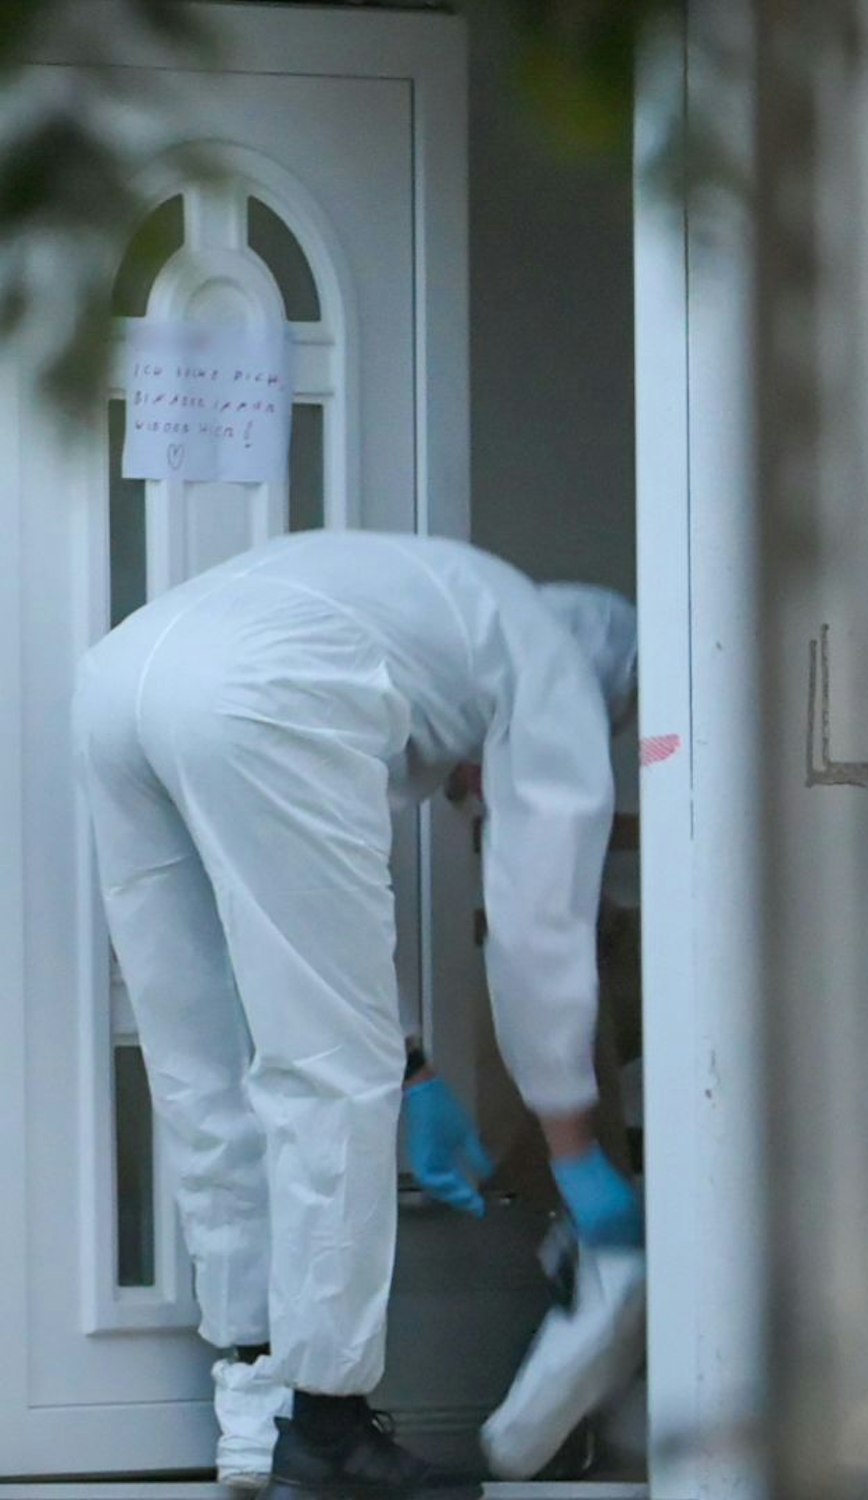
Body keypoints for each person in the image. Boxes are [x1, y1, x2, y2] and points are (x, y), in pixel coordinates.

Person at [72, 530, 642, 1496]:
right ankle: (327, 1434)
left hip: (118, 680)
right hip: (260, 688)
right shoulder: (556, 662)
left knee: (199, 1051)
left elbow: (293, 936)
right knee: (333, 1076)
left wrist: (417, 1065)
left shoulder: (450, 605)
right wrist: (579, 1153)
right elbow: (539, 927)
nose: (473, 793)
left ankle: (257, 1402)